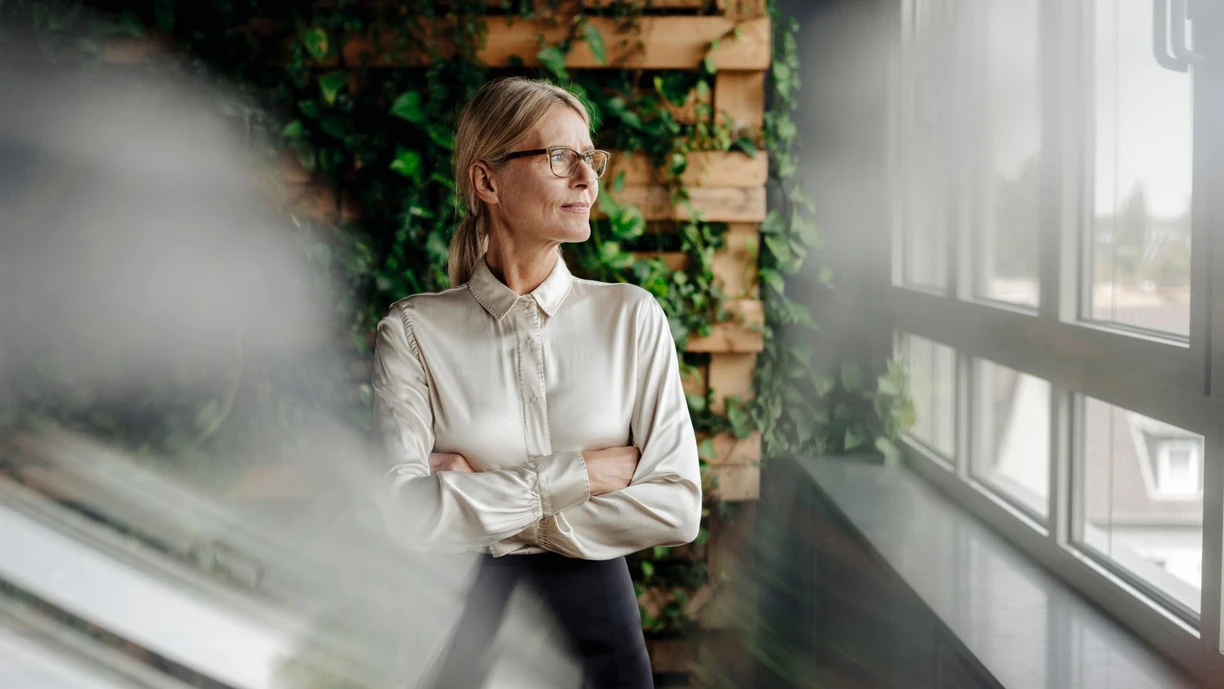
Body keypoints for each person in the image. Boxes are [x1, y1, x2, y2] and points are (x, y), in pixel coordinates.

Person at [369, 76, 703, 688]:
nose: (587, 178)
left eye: (590, 157)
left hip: (602, 637)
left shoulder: (631, 318)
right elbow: (403, 514)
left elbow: (678, 508)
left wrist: (488, 507)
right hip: (459, 627)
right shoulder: (414, 332)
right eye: (559, 157)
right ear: (486, 181)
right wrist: (583, 474)